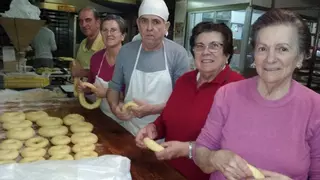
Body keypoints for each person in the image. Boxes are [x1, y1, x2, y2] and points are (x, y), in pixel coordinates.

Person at [194, 9, 320, 180]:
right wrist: (213, 158)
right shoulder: (227, 95)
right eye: (263, 48)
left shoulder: (315, 107)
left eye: (282, 49)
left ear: (300, 57)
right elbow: (200, 150)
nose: (270, 58)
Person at [135, 22, 244, 180]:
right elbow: (169, 116)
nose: (206, 52)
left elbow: (236, 146)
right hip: (168, 170)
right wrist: (154, 128)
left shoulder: (237, 88)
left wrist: (187, 149)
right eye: (199, 46)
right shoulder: (185, 80)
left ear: (227, 54)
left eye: (214, 46)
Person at [107, 0, 190, 136]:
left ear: (166, 26)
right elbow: (114, 88)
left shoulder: (177, 54)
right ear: (138, 24)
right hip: (130, 130)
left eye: (156, 22)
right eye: (144, 21)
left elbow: (183, 100)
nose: (149, 28)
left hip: (163, 133)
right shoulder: (126, 51)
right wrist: (115, 107)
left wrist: (153, 109)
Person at [78, 14, 126, 124]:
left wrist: (107, 93)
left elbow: (134, 94)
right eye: (105, 30)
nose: (109, 34)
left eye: (113, 30)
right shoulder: (96, 58)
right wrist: (85, 89)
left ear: (123, 35)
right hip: (103, 116)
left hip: (125, 120)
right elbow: (91, 85)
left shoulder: (130, 60)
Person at [72, 6, 105, 77]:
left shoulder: (106, 43)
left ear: (98, 22)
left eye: (88, 20)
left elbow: (110, 73)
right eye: (81, 21)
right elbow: (78, 65)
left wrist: (85, 73)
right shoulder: (83, 43)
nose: (83, 25)